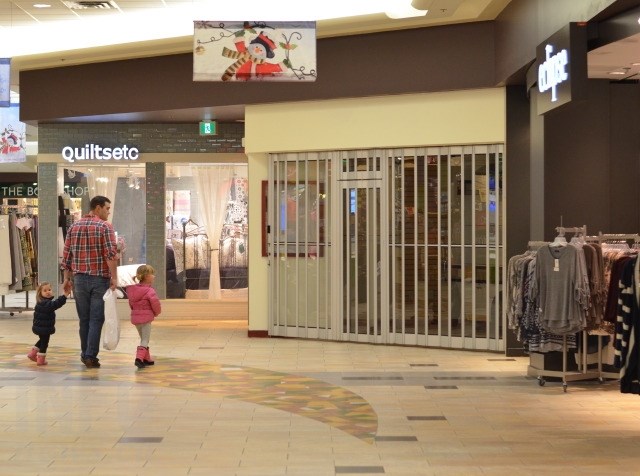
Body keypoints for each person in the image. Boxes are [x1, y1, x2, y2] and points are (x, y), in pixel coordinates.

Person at [61, 195, 118, 369]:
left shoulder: (73, 226)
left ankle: (85, 352)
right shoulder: (105, 227)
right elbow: (110, 254)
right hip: (99, 279)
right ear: (98, 207)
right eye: (107, 209)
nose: (108, 212)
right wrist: (114, 277)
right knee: (96, 319)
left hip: (78, 279)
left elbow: (67, 254)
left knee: (84, 319)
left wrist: (66, 278)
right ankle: (90, 356)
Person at [126, 264, 161, 368]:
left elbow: (131, 304)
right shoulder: (150, 291)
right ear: (146, 276)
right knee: (145, 339)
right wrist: (157, 312)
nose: (154, 276)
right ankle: (139, 358)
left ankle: (146, 358)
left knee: (143, 338)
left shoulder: (132, 290)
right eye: (152, 274)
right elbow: (155, 304)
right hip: (146, 318)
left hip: (136, 318)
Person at [27, 282, 71, 366]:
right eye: (45, 290)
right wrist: (64, 295)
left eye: (49, 290)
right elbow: (56, 304)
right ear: (40, 293)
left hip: (40, 327)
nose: (48, 292)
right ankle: (41, 360)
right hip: (44, 328)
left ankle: (32, 354)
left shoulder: (41, 302)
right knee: (44, 343)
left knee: (42, 340)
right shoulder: (46, 303)